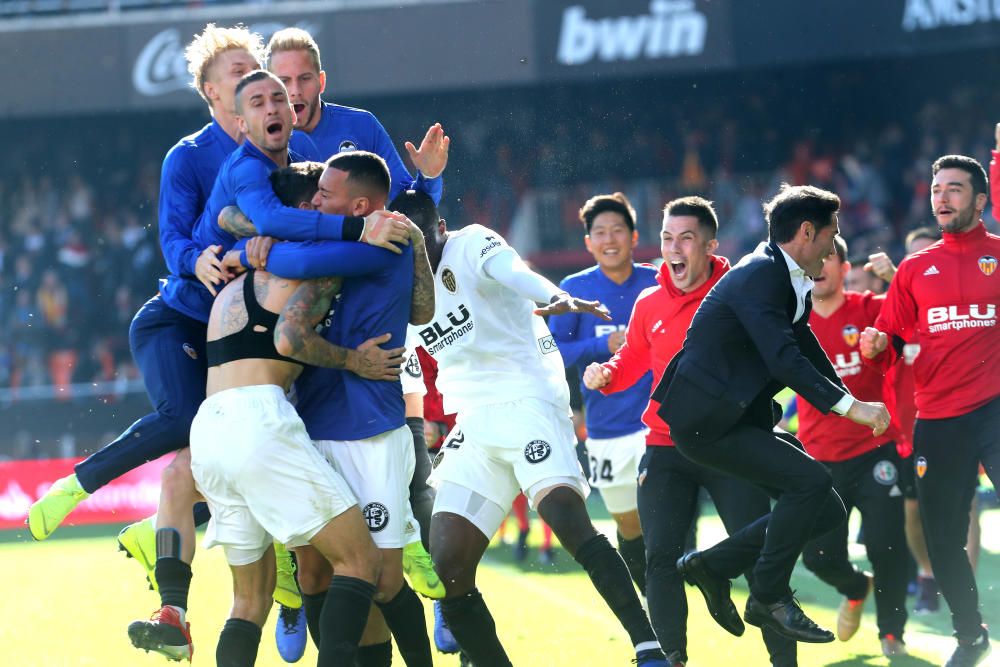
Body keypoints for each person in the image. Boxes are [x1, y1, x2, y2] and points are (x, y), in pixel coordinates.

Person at [406, 193, 668, 667]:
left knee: (568, 519)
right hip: (474, 421)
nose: (417, 251)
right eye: (408, 242)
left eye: (423, 237)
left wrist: (553, 296)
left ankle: (648, 645)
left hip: (526, 399)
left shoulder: (473, 244)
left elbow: (516, 275)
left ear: (440, 226)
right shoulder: (397, 277)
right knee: (447, 565)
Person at [130, 218, 406, 665]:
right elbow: (291, 336)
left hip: (211, 425)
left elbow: (228, 219)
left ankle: (175, 609)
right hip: (259, 420)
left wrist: (245, 247)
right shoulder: (309, 266)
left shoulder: (233, 279)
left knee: (249, 603)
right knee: (360, 562)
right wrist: (357, 360)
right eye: (314, 205)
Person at [653, 184, 889, 644]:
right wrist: (852, 408)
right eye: (831, 233)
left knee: (825, 510)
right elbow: (784, 359)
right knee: (812, 482)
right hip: (706, 424)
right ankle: (768, 595)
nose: (833, 245)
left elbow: (803, 346)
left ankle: (712, 565)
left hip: (731, 419)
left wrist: (846, 402)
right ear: (806, 231)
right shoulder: (762, 274)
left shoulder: (783, 275)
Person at [584, 196, 797, 667]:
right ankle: (671, 659)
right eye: (666, 238)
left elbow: (778, 355)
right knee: (659, 558)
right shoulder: (649, 301)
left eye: (685, 238)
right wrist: (606, 373)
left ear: (709, 245)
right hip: (666, 446)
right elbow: (632, 361)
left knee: (764, 555)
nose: (673, 248)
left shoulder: (742, 294)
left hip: (733, 445)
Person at [861, 155, 1000, 667]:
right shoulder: (916, 269)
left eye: (955, 189)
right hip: (938, 422)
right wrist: (879, 343)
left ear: (980, 200)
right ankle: (971, 637)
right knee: (942, 542)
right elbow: (894, 337)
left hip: (996, 409)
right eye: (937, 189)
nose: (942, 197)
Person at [796, 235, 909, 657]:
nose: (822, 265)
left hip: (876, 452)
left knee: (886, 544)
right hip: (817, 460)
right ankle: (855, 587)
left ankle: (892, 632)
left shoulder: (869, 310)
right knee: (818, 557)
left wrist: (895, 280)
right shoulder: (791, 321)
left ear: (847, 269)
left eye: (832, 257)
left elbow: (917, 319)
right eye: (816, 257)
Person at [549, 192, 657, 595]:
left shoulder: (657, 281)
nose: (609, 239)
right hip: (606, 429)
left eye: (617, 230)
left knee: (665, 519)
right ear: (588, 242)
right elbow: (554, 353)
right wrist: (603, 345)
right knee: (628, 525)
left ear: (634, 236)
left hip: (658, 426)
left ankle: (664, 602)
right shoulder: (574, 289)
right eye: (600, 232)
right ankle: (649, 593)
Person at [265, 27, 447, 203]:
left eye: (304, 78)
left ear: (321, 82)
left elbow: (408, 205)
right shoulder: (261, 141)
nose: (295, 91)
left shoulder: (362, 126)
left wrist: (429, 176)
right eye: (284, 81)